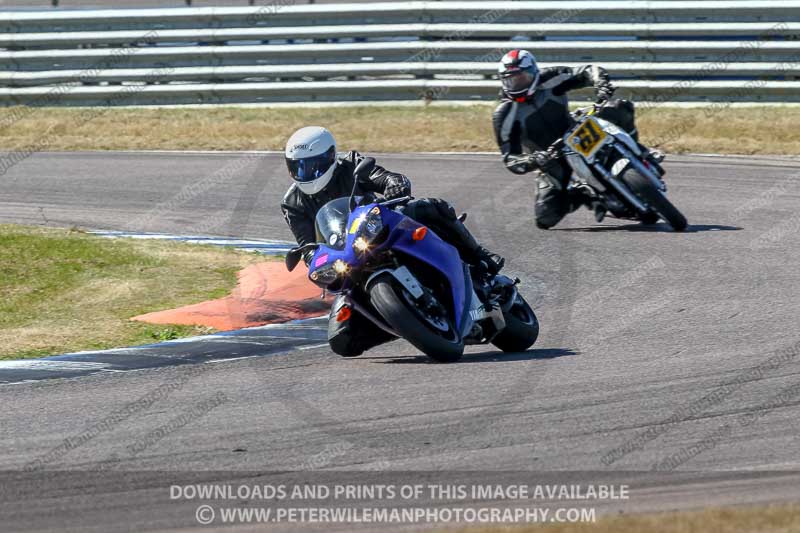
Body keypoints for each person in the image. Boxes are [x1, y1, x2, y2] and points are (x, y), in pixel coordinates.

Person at [281, 126, 504, 357]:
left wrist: (394, 184)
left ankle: (480, 256)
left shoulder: (352, 164)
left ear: (330, 157)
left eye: (312, 165)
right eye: (297, 167)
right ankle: (404, 321)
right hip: (348, 256)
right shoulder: (292, 203)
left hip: (381, 228)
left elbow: (386, 178)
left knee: (430, 207)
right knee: (341, 341)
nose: (305, 173)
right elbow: (308, 246)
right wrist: (312, 258)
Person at [492, 49, 663, 229]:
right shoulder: (504, 113)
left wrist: (601, 83)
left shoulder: (551, 78)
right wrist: (532, 160)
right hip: (550, 157)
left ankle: (642, 153)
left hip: (575, 130)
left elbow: (587, 71)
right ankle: (584, 195)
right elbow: (510, 158)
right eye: (509, 79)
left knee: (619, 107)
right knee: (545, 217)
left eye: (521, 77)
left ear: (534, 72)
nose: (516, 83)